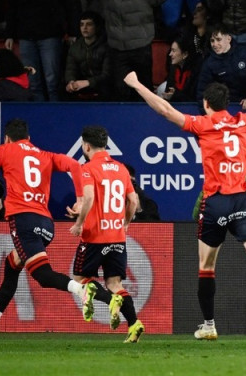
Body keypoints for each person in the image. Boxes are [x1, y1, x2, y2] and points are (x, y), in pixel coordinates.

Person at [125, 67, 246, 341]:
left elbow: (165, 110)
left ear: (206, 104)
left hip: (215, 202)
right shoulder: (244, 121)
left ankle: (209, 325)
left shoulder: (202, 124)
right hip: (242, 199)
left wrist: (137, 84)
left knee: (206, 265)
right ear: (227, 104)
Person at [0, 119, 84, 339]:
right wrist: (80, 200)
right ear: (29, 138)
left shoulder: (4, 150)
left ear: (7, 138)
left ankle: (80, 289)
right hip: (47, 226)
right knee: (12, 265)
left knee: (42, 275)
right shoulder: (45, 155)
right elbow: (75, 166)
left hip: (23, 221)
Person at [68, 126, 143, 343]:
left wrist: (79, 223)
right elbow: (133, 201)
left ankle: (109, 300)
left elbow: (90, 198)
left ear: (86, 146)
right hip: (117, 237)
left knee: (80, 279)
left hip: (95, 236)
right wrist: (126, 223)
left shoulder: (88, 168)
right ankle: (134, 324)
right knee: (115, 284)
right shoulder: (121, 168)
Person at [75, 0, 172, 100]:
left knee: (144, 90)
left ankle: (145, 114)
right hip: (117, 50)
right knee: (120, 91)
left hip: (141, 48)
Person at [5, 0, 81, 101]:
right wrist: (9, 34)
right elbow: (12, 7)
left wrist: (73, 31)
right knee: (33, 83)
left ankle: (56, 113)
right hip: (26, 37)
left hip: (50, 36)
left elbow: (72, 2)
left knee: (52, 81)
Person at [195, 24, 246, 111]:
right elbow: (202, 92)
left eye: (218, 40)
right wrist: (207, 114)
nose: (215, 44)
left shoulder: (245, 51)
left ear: (228, 39)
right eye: (212, 41)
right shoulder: (209, 63)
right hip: (225, 109)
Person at [64, 11, 111, 101]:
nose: (84, 28)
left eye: (89, 24)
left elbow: (107, 74)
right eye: (82, 25)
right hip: (82, 87)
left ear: (96, 27)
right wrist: (71, 82)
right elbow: (71, 70)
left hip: (102, 88)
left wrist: (88, 82)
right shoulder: (75, 47)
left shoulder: (106, 46)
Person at [163, 36, 201, 102]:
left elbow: (193, 97)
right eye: (171, 50)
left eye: (173, 51)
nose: (170, 54)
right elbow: (168, 91)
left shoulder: (196, 71)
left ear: (185, 54)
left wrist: (175, 95)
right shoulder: (173, 68)